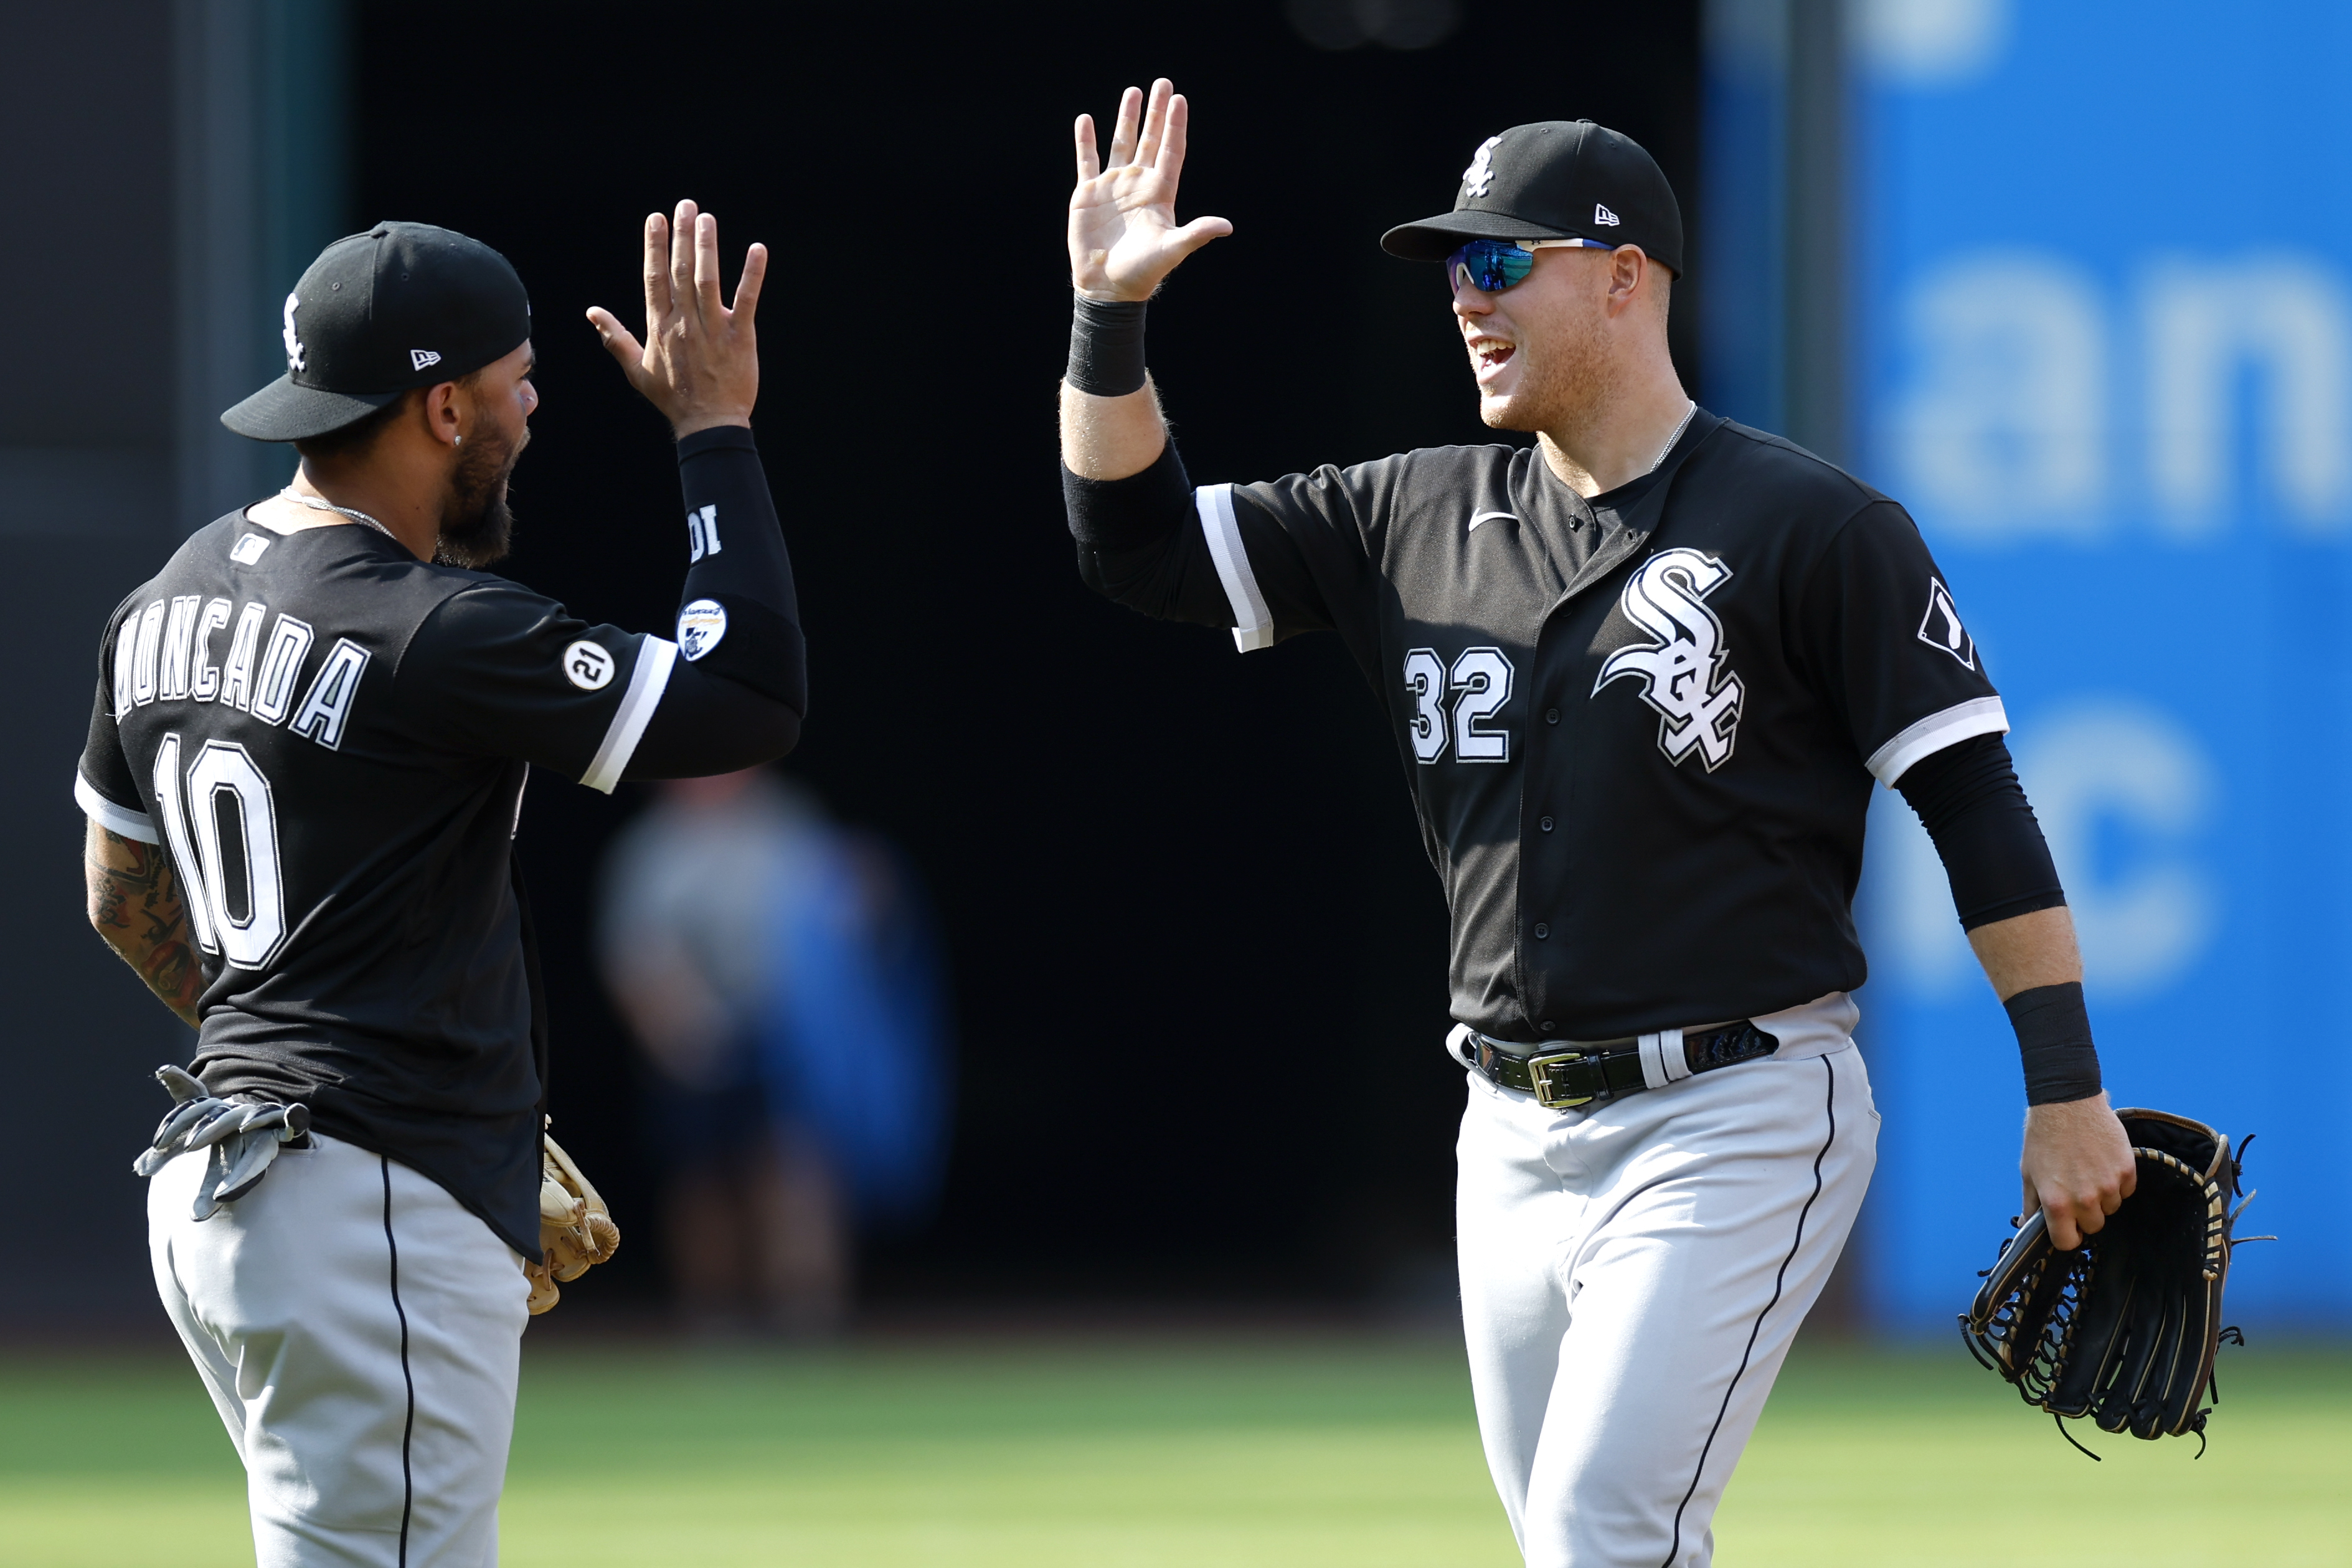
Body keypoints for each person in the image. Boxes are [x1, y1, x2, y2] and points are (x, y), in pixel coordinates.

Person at [1057, 83, 2135, 1567]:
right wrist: (1104, 322)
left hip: (1734, 1107)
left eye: (1500, 262)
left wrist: (2064, 1085)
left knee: (1596, 1528)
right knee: (1585, 1547)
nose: (1463, 297)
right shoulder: (1409, 512)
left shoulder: (1812, 527)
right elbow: (1135, 548)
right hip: (1503, 1123)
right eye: (1451, 268)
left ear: (1624, 277)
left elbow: (1975, 804)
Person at [77, 205, 803, 1566]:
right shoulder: (427, 624)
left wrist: (289, 1057)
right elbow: (747, 699)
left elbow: (122, 893)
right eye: (521, 381)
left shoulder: (159, 604)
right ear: (444, 404)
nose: (535, 408)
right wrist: (713, 430)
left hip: (216, 1186)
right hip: (359, 1202)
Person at [598, 768, 955, 1337]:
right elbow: (634, 957)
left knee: (799, 1171)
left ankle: (806, 1314)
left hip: (786, 1038)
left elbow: (838, 911)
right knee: (703, 1185)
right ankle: (715, 1320)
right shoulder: (653, 848)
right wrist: (677, 1033)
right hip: (693, 1039)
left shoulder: (787, 824)